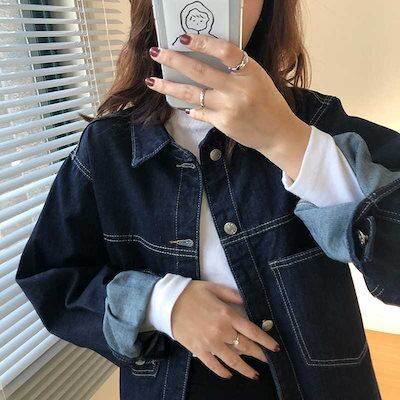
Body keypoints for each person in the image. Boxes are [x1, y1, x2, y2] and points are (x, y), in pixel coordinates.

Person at [15, 1, 400, 399]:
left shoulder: (316, 123)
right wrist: (162, 303)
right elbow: (51, 278)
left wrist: (287, 140)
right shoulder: (106, 148)